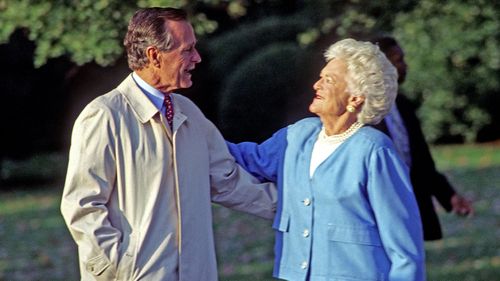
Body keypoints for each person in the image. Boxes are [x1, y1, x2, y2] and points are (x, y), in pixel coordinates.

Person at [61, 7, 277, 281]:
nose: (197, 58)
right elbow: (82, 206)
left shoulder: (191, 115)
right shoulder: (104, 116)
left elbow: (230, 183)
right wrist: (116, 270)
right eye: (187, 50)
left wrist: (296, 208)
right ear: (154, 55)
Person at [228, 39, 425, 280]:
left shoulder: (375, 152)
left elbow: (404, 247)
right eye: (321, 77)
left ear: (356, 98)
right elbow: (244, 159)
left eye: (328, 80)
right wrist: (192, 132)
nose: (316, 85)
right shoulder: (297, 136)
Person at [371, 35, 474, 240]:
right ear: (382, 65)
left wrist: (448, 195)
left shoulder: (403, 105)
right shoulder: (363, 111)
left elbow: (420, 159)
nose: (405, 66)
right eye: (398, 60)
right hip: (379, 212)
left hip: (409, 207)